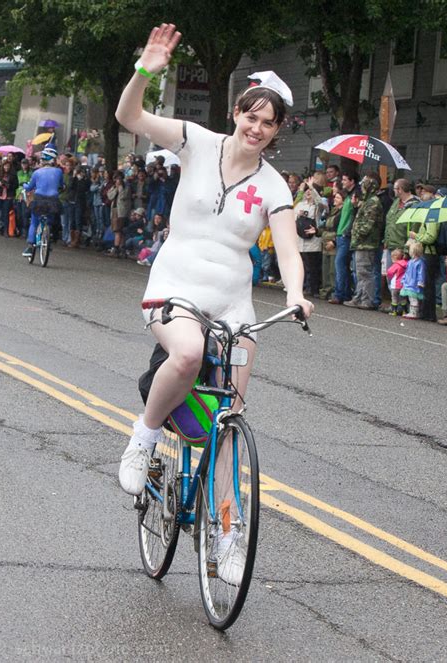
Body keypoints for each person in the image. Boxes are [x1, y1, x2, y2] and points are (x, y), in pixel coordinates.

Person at [115, 23, 312, 498]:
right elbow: (129, 115)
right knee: (186, 354)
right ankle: (144, 436)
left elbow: (287, 248)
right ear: (237, 112)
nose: (257, 129)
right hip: (175, 287)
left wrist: (295, 294)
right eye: (252, 117)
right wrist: (146, 69)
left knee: (228, 422)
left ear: (277, 129)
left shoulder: (274, 187)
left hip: (232, 306)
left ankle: (226, 529)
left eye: (268, 123)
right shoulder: (196, 142)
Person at [344, 172, 383, 310]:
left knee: (365, 272)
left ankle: (367, 300)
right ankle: (359, 296)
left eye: (364, 184)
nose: (361, 187)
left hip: (366, 243)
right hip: (361, 243)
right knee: (360, 271)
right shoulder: (367, 201)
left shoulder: (373, 202)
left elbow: (368, 224)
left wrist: (357, 234)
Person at [21, 146, 63, 256]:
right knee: (49, 221)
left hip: (39, 200)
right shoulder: (58, 172)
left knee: (34, 222)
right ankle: (48, 237)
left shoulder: (37, 172)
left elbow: (29, 187)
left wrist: (24, 185)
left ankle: (30, 246)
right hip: (53, 200)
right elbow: (62, 185)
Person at [328, 172, 360, 304]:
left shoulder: (355, 195)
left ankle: (339, 293)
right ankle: (345, 292)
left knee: (340, 264)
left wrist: (347, 232)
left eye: (345, 179)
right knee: (342, 265)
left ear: (352, 181)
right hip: (341, 234)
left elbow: (355, 215)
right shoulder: (347, 196)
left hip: (346, 235)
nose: (343, 182)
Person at [400, 241, 426, 319]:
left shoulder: (420, 262)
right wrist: (404, 279)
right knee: (410, 298)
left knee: (413, 299)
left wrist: (420, 282)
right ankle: (412, 312)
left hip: (414, 284)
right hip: (409, 283)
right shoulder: (410, 262)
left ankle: (414, 313)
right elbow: (407, 272)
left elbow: (421, 273)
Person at [386, 248, 408, 316]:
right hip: (403, 285)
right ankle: (404, 311)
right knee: (403, 298)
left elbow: (389, 272)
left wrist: (390, 276)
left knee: (394, 298)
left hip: (395, 285)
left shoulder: (396, 265)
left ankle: (394, 311)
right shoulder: (406, 263)